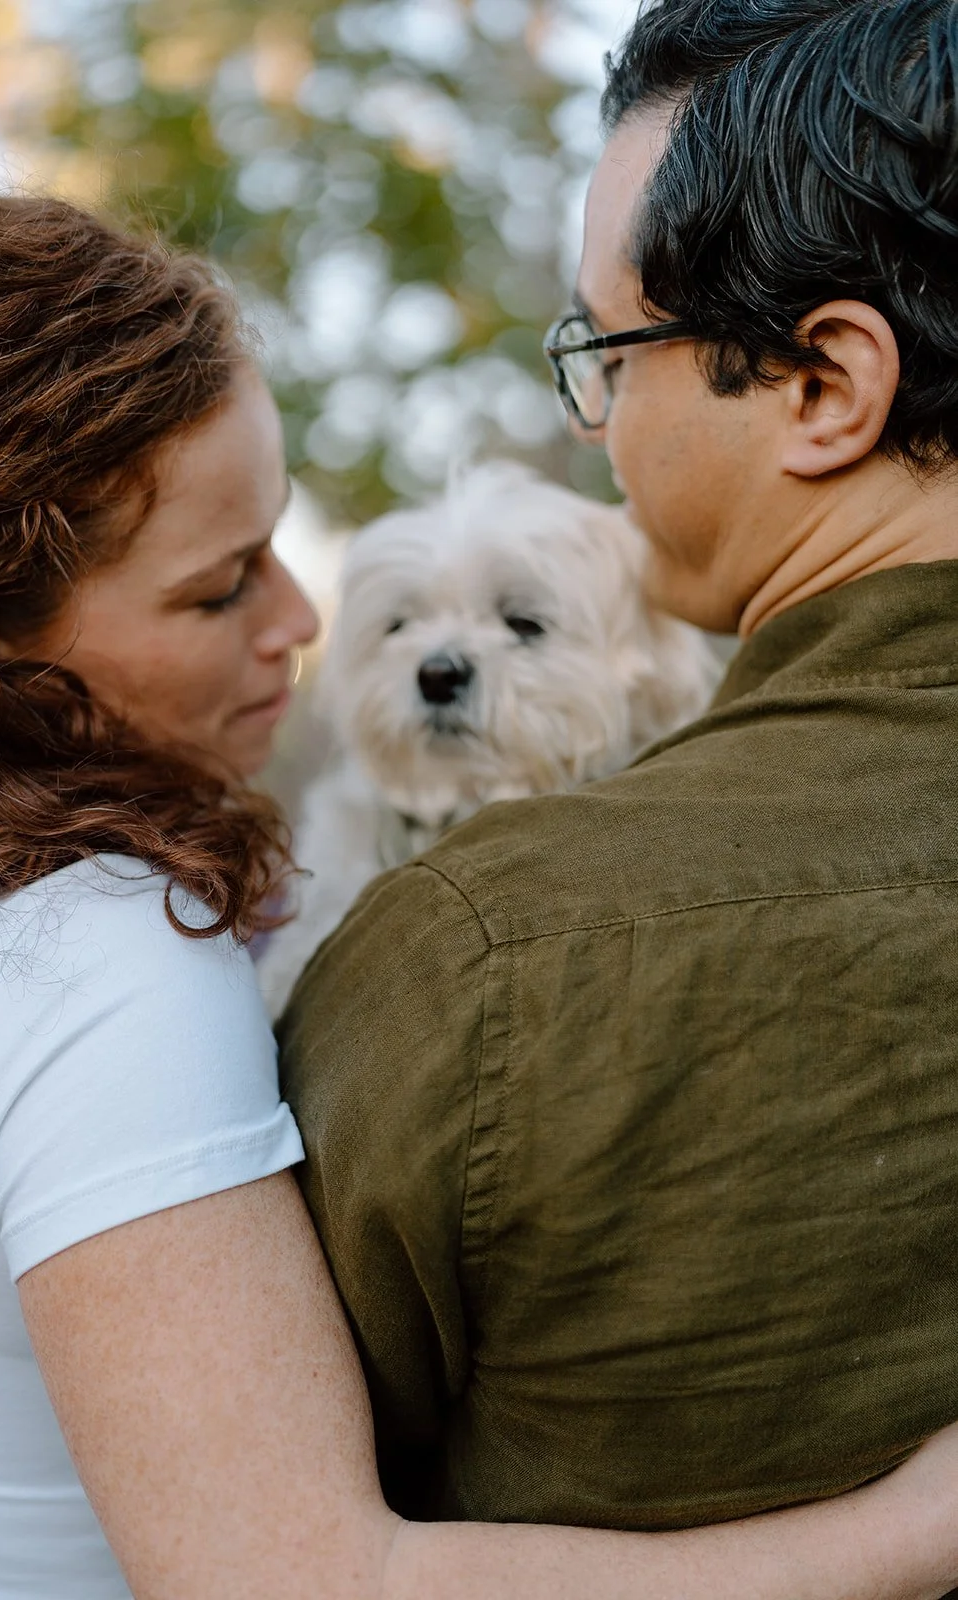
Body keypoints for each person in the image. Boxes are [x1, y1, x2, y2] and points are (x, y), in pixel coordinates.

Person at [0, 179, 958, 1600]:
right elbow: (292, 1580)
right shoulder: (103, 963)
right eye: (222, 590)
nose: (304, 620)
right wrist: (903, 1534)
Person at [280, 0, 958, 1542]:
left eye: (610, 351)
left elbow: (263, 1537)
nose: (593, 429)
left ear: (821, 386)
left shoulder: (475, 955)